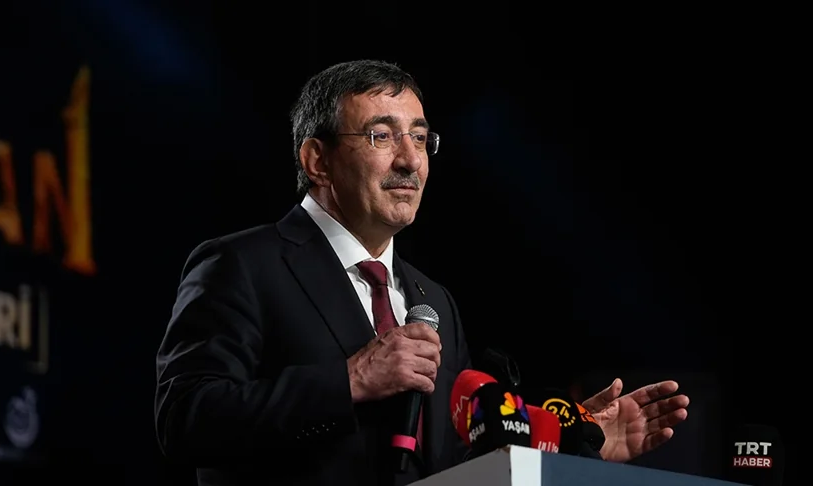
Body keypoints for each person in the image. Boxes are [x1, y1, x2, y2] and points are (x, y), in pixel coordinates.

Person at [154, 60, 689, 486]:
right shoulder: (242, 264)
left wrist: (574, 443)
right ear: (317, 160)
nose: (410, 160)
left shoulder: (433, 301)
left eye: (419, 137)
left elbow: (454, 464)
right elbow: (185, 419)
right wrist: (349, 381)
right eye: (381, 136)